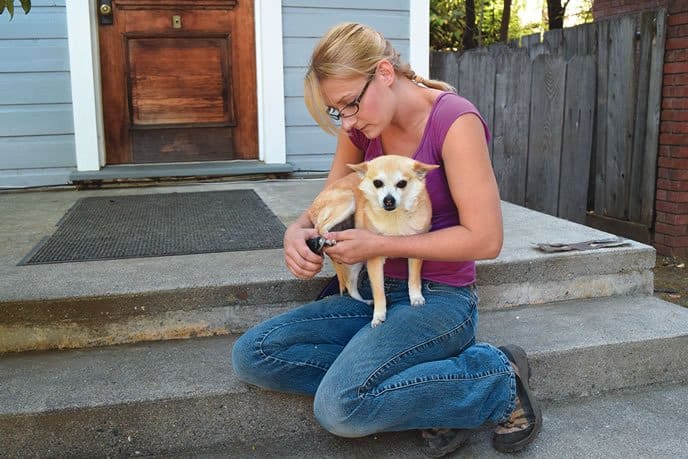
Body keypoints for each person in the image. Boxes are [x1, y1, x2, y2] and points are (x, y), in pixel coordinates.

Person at [232, 22, 542, 456]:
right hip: (374, 294)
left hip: (440, 299)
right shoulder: (362, 126)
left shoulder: (454, 122)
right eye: (340, 112)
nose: (349, 121)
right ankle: (431, 389)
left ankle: (493, 375)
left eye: (350, 105)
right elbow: (333, 192)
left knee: (340, 408)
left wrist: (381, 245)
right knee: (254, 355)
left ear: (383, 73)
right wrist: (298, 228)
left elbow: (486, 239)